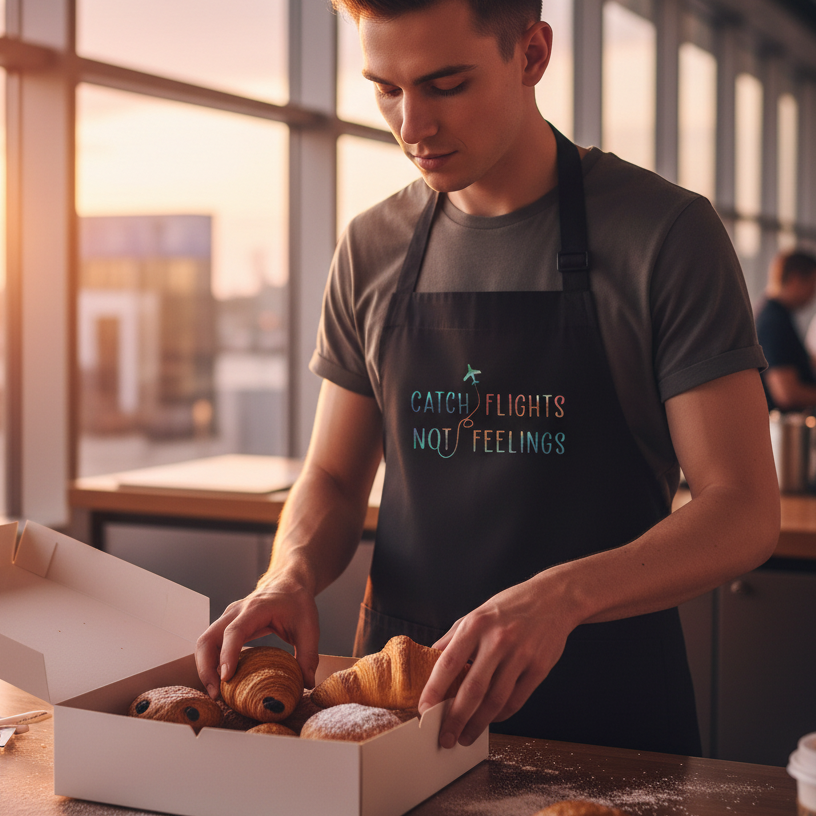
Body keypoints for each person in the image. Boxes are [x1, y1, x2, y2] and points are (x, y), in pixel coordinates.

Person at [196, 0, 779, 756]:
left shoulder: (665, 235)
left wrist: (559, 598)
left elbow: (741, 508)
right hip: (401, 713)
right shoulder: (372, 246)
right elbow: (336, 479)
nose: (412, 126)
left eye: (446, 84)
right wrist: (289, 575)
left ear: (532, 55)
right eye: (387, 89)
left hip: (608, 715)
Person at [755, 250, 816, 411]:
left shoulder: (779, 316)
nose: (813, 295)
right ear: (795, 279)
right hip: (784, 429)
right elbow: (786, 393)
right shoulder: (774, 322)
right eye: (812, 285)